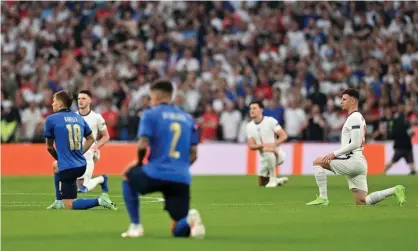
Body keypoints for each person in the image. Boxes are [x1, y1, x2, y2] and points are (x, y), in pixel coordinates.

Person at [120, 80, 205, 238]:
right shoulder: (187, 118)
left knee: (127, 177)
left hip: (155, 172)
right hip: (181, 177)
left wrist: (138, 163)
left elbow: (142, 144)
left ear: (155, 97)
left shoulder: (150, 114)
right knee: (177, 229)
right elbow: (194, 154)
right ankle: (189, 220)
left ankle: (136, 226)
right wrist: (180, 167)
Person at [306, 88, 406, 206]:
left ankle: (323, 198)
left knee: (318, 162)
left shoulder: (354, 118)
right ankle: (394, 190)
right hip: (358, 162)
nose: (341, 102)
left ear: (353, 101)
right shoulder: (357, 117)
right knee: (362, 202)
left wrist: (333, 154)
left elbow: (355, 143)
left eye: (344, 99)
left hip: (352, 161)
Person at [43, 90, 117, 210]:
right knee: (56, 166)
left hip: (69, 166)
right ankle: (58, 200)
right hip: (81, 164)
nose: (52, 104)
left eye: (54, 101)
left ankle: (100, 200)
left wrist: (61, 158)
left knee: (69, 204)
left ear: (61, 104)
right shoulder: (78, 117)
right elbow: (91, 138)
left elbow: (49, 147)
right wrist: (78, 153)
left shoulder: (51, 119)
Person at [246, 100, 289, 187]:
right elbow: (250, 145)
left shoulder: (270, 121)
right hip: (264, 156)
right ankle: (277, 180)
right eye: (250, 108)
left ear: (261, 110)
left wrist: (274, 144)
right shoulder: (249, 126)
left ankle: (273, 179)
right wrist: (263, 146)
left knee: (269, 151)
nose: (252, 110)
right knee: (262, 183)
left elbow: (283, 136)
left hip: (277, 153)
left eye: (254, 108)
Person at [384, 104, 416, 175]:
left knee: (392, 161)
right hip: (407, 146)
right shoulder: (406, 122)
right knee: (411, 162)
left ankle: (383, 172)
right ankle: (413, 172)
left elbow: (392, 133)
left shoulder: (395, 121)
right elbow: (411, 133)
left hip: (399, 146)